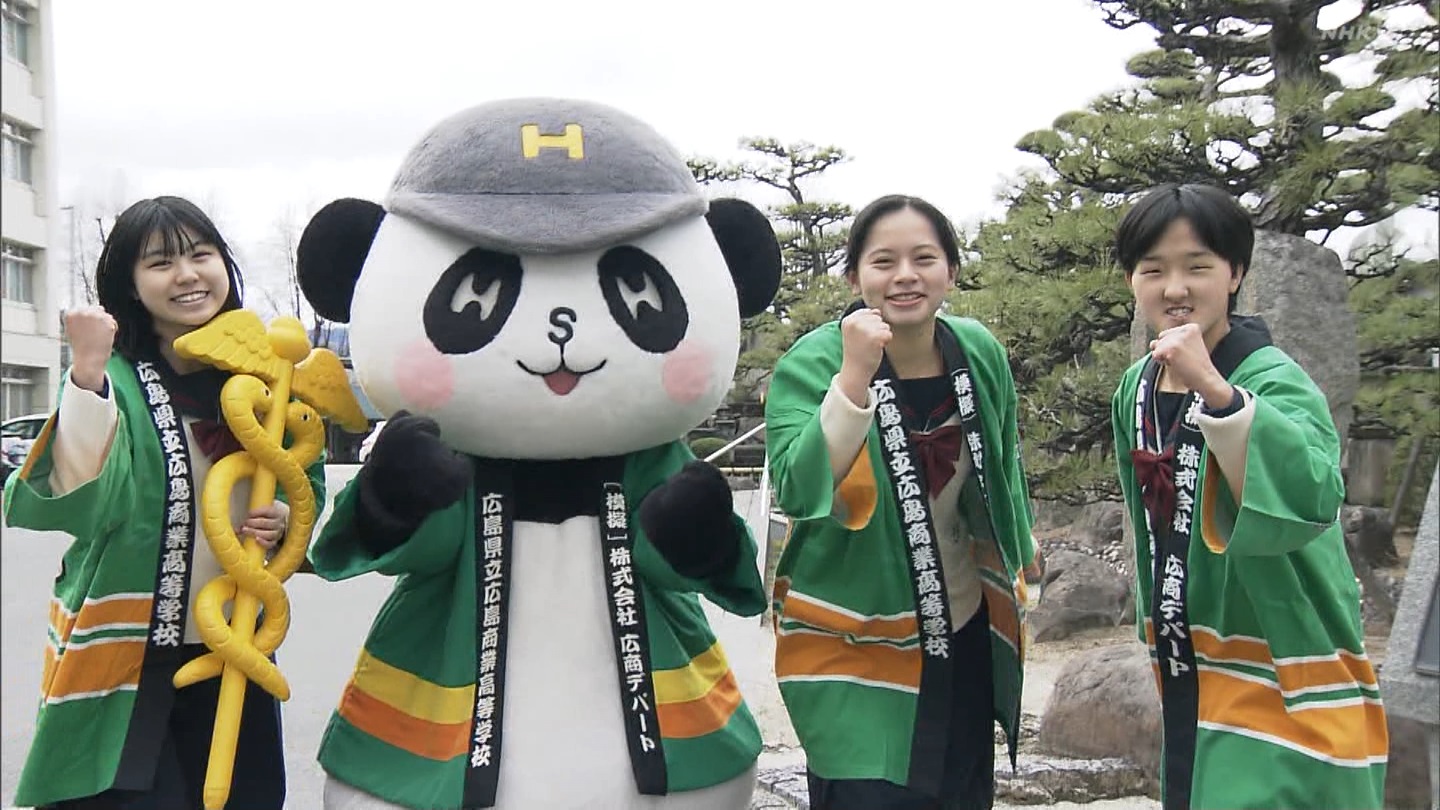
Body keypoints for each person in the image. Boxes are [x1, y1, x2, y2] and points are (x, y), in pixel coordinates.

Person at [3, 196, 326, 809]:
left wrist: (287, 521)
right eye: (160, 262)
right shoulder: (120, 379)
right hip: (127, 647)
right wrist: (87, 373)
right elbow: (84, 495)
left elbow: (302, 481)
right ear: (130, 282)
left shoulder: (263, 381)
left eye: (200, 255)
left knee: (242, 794)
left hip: (233, 640)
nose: (186, 275)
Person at [1111, 183, 1387, 810]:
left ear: (1235, 274)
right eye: (1153, 270)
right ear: (1132, 281)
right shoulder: (1136, 386)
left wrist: (1218, 393)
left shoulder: (1273, 378)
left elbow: (1313, 494)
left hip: (1282, 648)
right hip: (1188, 649)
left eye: (1197, 267)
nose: (1174, 288)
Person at [765, 194, 1036, 810]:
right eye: (884, 261)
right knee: (865, 788)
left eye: (925, 258)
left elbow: (1003, 464)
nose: (905, 276)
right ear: (854, 276)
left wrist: (1023, 558)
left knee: (958, 792)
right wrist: (853, 377)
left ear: (952, 272)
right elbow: (799, 488)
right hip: (852, 634)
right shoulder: (811, 361)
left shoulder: (978, 350)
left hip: (963, 622)